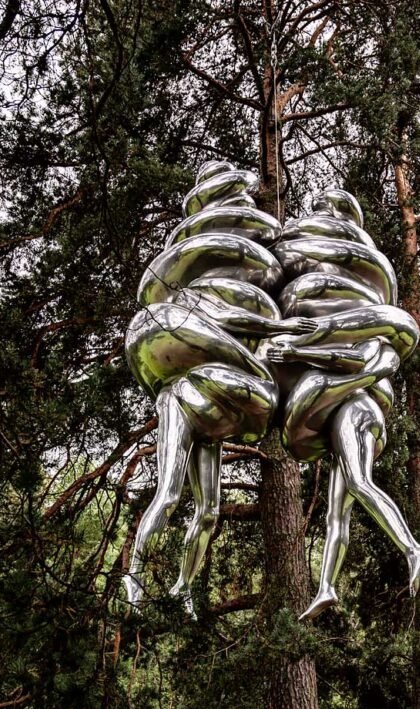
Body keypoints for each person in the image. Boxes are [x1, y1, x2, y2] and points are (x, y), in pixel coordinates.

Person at [124, 160, 314, 614]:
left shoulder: (242, 276)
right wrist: (272, 331)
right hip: (181, 402)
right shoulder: (195, 292)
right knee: (169, 493)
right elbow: (227, 318)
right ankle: (132, 576)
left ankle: (183, 587)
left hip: (212, 412)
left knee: (208, 511)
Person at [263, 188, 420, 619]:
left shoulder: (365, 337)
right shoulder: (344, 330)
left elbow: (356, 360)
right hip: (347, 409)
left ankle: (414, 548)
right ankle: (325, 588)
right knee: (336, 517)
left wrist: (299, 351)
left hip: (356, 408)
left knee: (359, 484)